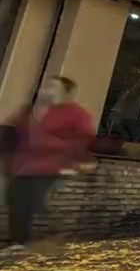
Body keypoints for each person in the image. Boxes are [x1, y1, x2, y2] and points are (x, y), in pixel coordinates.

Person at [3, 76, 95, 253]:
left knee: (31, 198)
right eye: (46, 85)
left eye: (53, 86)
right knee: (16, 199)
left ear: (65, 92)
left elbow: (84, 138)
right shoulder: (29, 111)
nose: (47, 89)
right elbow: (12, 133)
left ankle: (44, 237)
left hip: (52, 165)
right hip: (22, 166)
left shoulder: (76, 114)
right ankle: (20, 242)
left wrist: (74, 158)